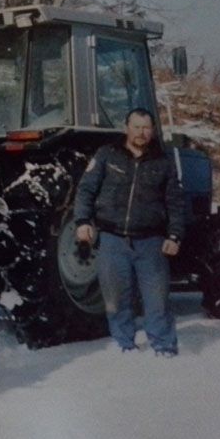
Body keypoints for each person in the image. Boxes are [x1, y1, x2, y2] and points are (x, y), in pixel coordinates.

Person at [74, 108, 185, 356]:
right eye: (136, 127)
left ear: (152, 131)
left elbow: (176, 203)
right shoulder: (107, 155)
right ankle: (125, 345)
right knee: (116, 299)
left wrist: (174, 235)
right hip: (112, 240)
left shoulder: (163, 161)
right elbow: (86, 190)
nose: (141, 133)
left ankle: (164, 347)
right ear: (127, 127)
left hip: (151, 242)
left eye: (146, 128)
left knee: (157, 299)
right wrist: (82, 221)